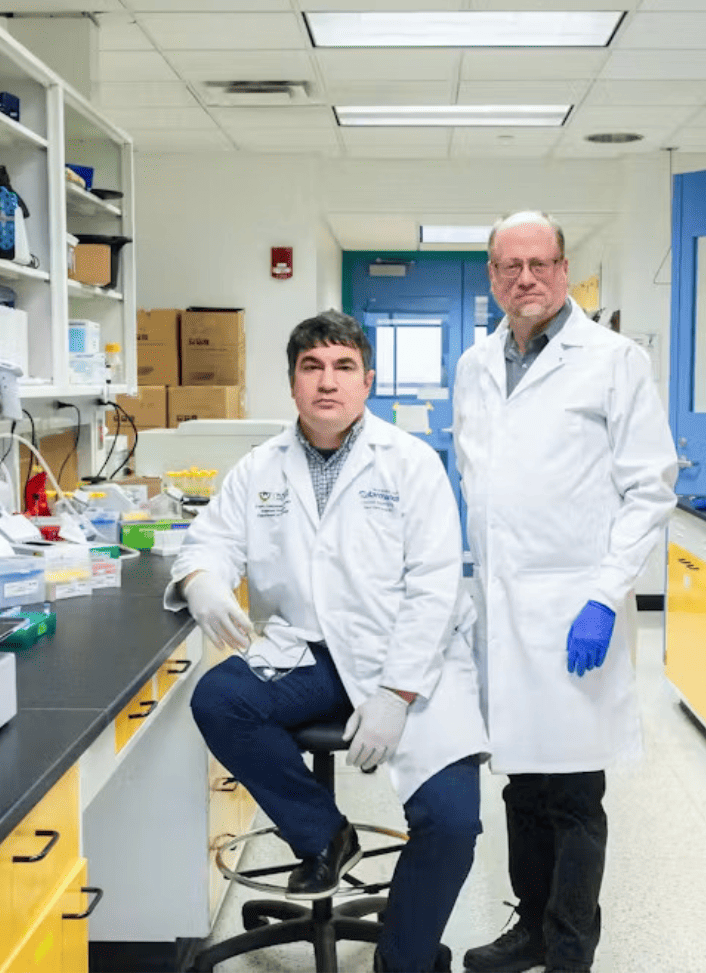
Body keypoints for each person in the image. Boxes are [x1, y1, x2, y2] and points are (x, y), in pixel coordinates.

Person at [167, 310, 488, 973]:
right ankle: (325, 834)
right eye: (312, 367)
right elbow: (210, 540)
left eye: (343, 367)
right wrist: (202, 580)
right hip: (310, 653)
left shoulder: (411, 463)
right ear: (292, 383)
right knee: (219, 699)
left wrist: (398, 691)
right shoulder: (261, 467)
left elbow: (435, 587)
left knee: (453, 821)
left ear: (367, 380)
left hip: (411, 656)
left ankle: (401, 960)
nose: (327, 382)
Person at [453, 212, 678, 973]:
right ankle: (532, 929)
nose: (526, 278)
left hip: (579, 605)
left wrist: (605, 594)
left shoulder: (614, 360)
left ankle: (571, 949)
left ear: (563, 267)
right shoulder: (475, 363)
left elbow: (649, 488)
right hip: (503, 608)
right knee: (522, 779)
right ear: (492, 275)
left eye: (540, 263)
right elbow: (476, 479)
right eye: (509, 266)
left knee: (575, 790)